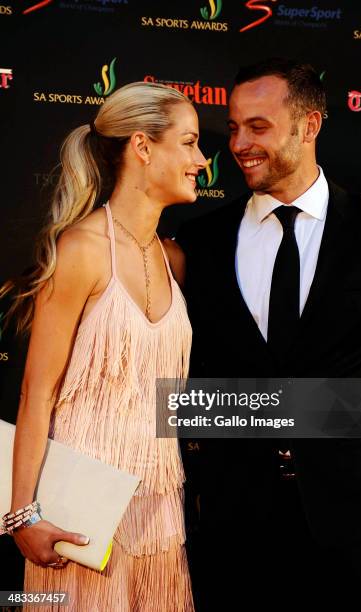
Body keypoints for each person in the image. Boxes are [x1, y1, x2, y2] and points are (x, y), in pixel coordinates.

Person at [177, 58, 361, 611]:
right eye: (233, 127)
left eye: (258, 126)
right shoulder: (199, 242)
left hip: (353, 523)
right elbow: (191, 394)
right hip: (232, 526)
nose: (238, 143)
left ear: (310, 126)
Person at [0, 81, 206, 611]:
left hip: (158, 511)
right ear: (142, 146)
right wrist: (22, 513)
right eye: (188, 143)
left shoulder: (172, 259)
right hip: (78, 511)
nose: (202, 160)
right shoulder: (82, 251)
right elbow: (36, 394)